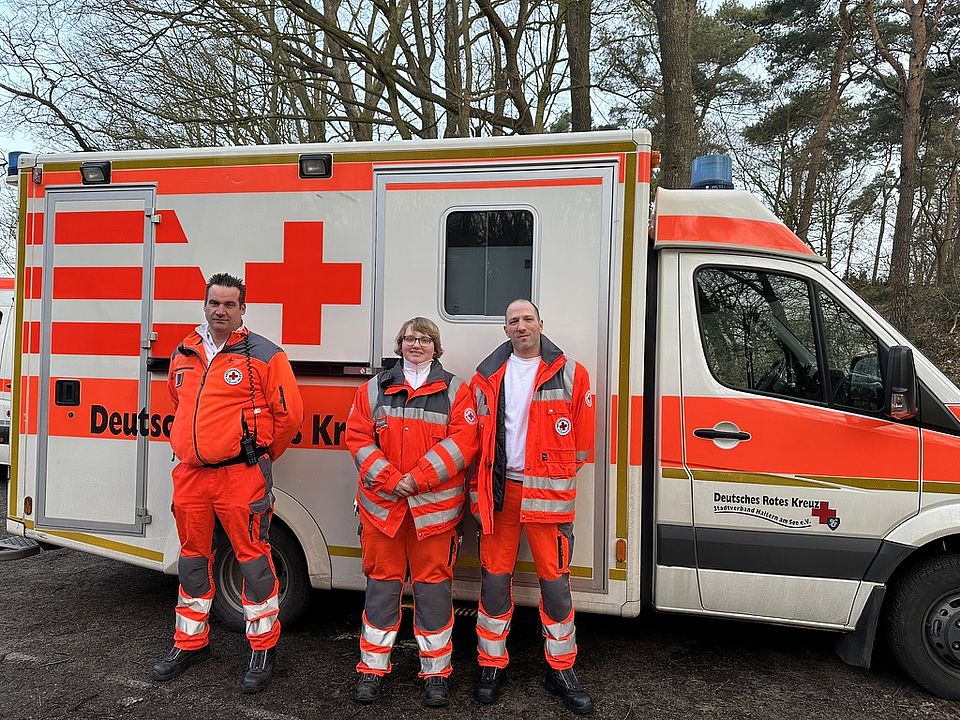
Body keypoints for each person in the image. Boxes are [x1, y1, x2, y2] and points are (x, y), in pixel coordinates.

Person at [151, 272, 304, 693]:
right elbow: (178, 404)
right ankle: (190, 642)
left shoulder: (266, 355)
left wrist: (260, 455)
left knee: (253, 562)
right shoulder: (184, 351)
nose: (220, 311)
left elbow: (290, 417)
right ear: (205, 305)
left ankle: (263, 647)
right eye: (214, 303)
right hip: (190, 476)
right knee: (191, 560)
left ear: (242, 309)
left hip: (241, 475)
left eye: (229, 304)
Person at [469, 299, 596, 715]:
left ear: (541, 322)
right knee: (493, 582)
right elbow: (475, 442)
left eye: (527, 318)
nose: (521, 326)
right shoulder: (486, 376)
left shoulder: (572, 373)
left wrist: (547, 476)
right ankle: (490, 666)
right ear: (505, 330)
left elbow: (581, 447)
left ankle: (561, 670)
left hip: (548, 497)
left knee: (556, 587)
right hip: (500, 494)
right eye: (513, 321)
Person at [345, 317, 478, 708]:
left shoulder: (456, 390)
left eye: (424, 339)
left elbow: (463, 444)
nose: (416, 345)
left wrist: (416, 479)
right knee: (381, 591)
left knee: (433, 594)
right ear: (399, 344)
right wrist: (391, 479)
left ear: (436, 346)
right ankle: (371, 670)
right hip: (383, 511)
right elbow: (357, 438)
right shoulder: (374, 389)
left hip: (433, 516)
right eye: (409, 338)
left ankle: (436, 674)